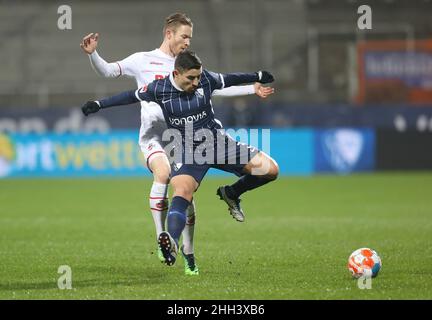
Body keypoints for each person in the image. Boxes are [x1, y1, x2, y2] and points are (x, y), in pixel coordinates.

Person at [80, 13, 274, 276]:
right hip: (165, 138)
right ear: (168, 34)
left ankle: (208, 222)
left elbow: (221, 83)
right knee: (175, 186)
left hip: (205, 139)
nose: (187, 42)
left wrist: (254, 85)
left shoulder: (194, 69)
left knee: (268, 170)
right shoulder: (149, 69)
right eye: (184, 36)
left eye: (190, 38)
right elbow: (120, 85)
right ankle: (166, 240)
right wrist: (95, 69)